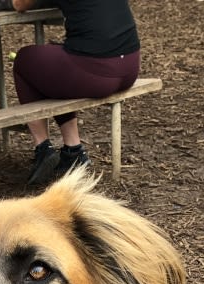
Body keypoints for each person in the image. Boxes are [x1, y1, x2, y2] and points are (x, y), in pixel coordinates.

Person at [11, 0, 141, 187]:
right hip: (129, 66)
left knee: (24, 60)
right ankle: (73, 151)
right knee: (52, 66)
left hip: (97, 71)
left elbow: (19, 4)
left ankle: (43, 148)